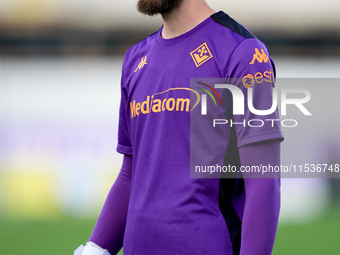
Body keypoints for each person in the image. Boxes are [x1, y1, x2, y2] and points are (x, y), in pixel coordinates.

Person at [75, 0, 284, 254]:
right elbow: (130, 176)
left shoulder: (242, 52)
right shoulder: (135, 59)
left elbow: (263, 179)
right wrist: (96, 248)